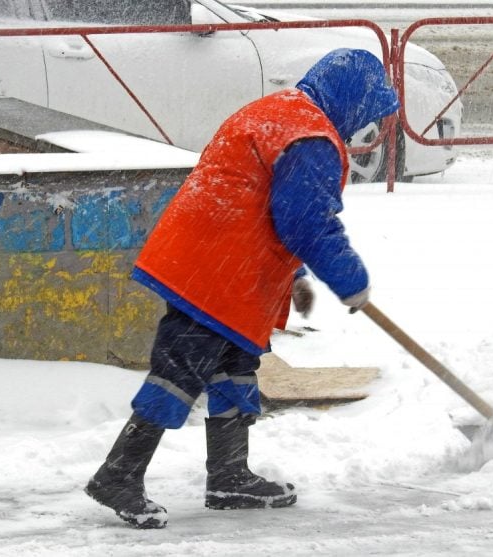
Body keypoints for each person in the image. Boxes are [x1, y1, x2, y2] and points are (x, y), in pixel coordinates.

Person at [85, 48, 400, 529]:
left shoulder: (279, 113)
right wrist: (351, 282)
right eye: (366, 112)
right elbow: (306, 222)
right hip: (216, 273)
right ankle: (118, 475)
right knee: (179, 372)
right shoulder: (311, 136)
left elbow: (253, 193)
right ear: (351, 99)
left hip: (213, 262)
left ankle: (229, 476)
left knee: (234, 367)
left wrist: (294, 275)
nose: (363, 127)